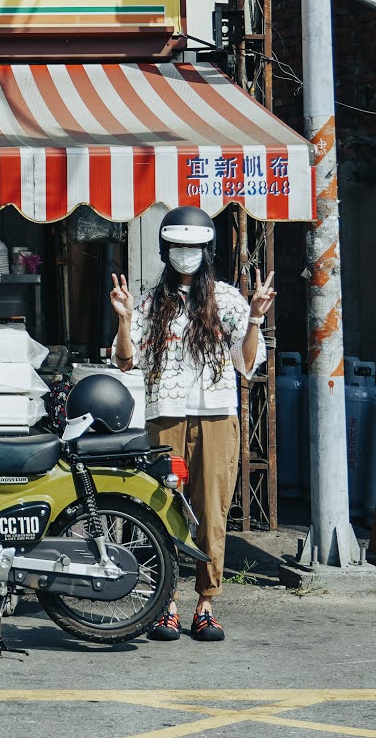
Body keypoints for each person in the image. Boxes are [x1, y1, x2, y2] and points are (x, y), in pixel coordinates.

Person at [110, 206, 273, 645]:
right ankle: (166, 604)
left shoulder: (227, 300)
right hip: (165, 418)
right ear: (166, 251)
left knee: (211, 511)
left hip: (217, 417)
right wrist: (124, 320)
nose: (186, 255)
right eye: (178, 248)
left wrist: (255, 317)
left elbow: (246, 364)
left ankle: (205, 604)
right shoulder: (148, 302)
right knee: (164, 508)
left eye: (194, 248)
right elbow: (126, 360)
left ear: (207, 250)